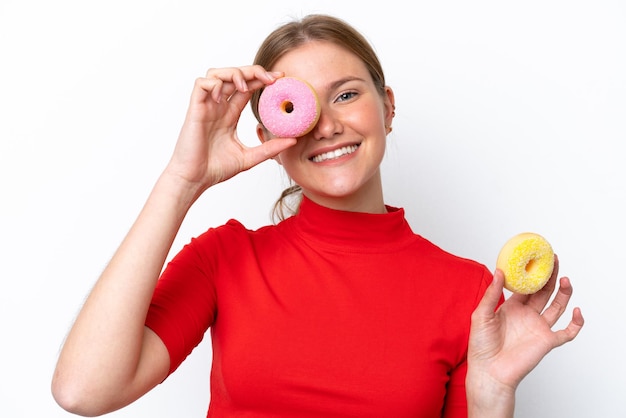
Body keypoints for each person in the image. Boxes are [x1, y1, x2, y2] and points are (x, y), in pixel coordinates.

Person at [51, 14, 584, 418]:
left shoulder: (472, 294)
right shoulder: (226, 258)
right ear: (268, 136)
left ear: (388, 107)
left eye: (347, 95)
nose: (327, 126)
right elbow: (83, 391)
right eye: (298, 107)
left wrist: (491, 396)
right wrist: (183, 180)